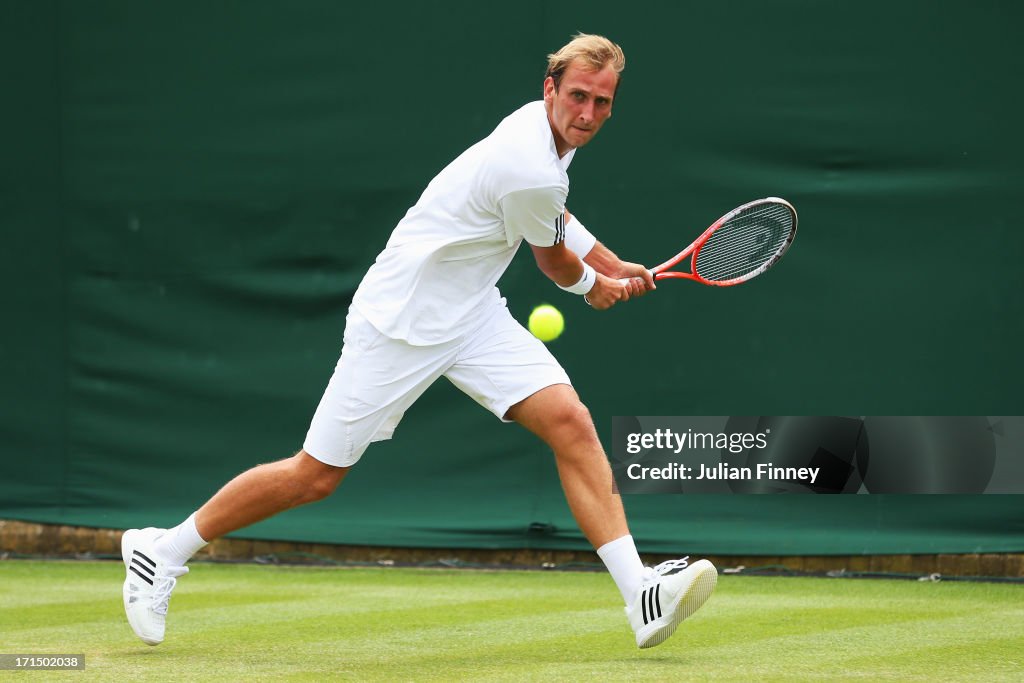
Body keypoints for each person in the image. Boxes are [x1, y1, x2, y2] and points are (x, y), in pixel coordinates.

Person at [121, 33, 717, 650]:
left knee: (570, 422)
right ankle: (161, 551)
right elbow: (556, 264)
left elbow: (559, 221)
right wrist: (596, 284)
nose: (588, 114)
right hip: (400, 323)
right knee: (314, 476)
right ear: (550, 90)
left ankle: (639, 593)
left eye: (602, 102)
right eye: (577, 97)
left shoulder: (550, 147)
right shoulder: (530, 164)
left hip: (472, 313)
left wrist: (616, 266)